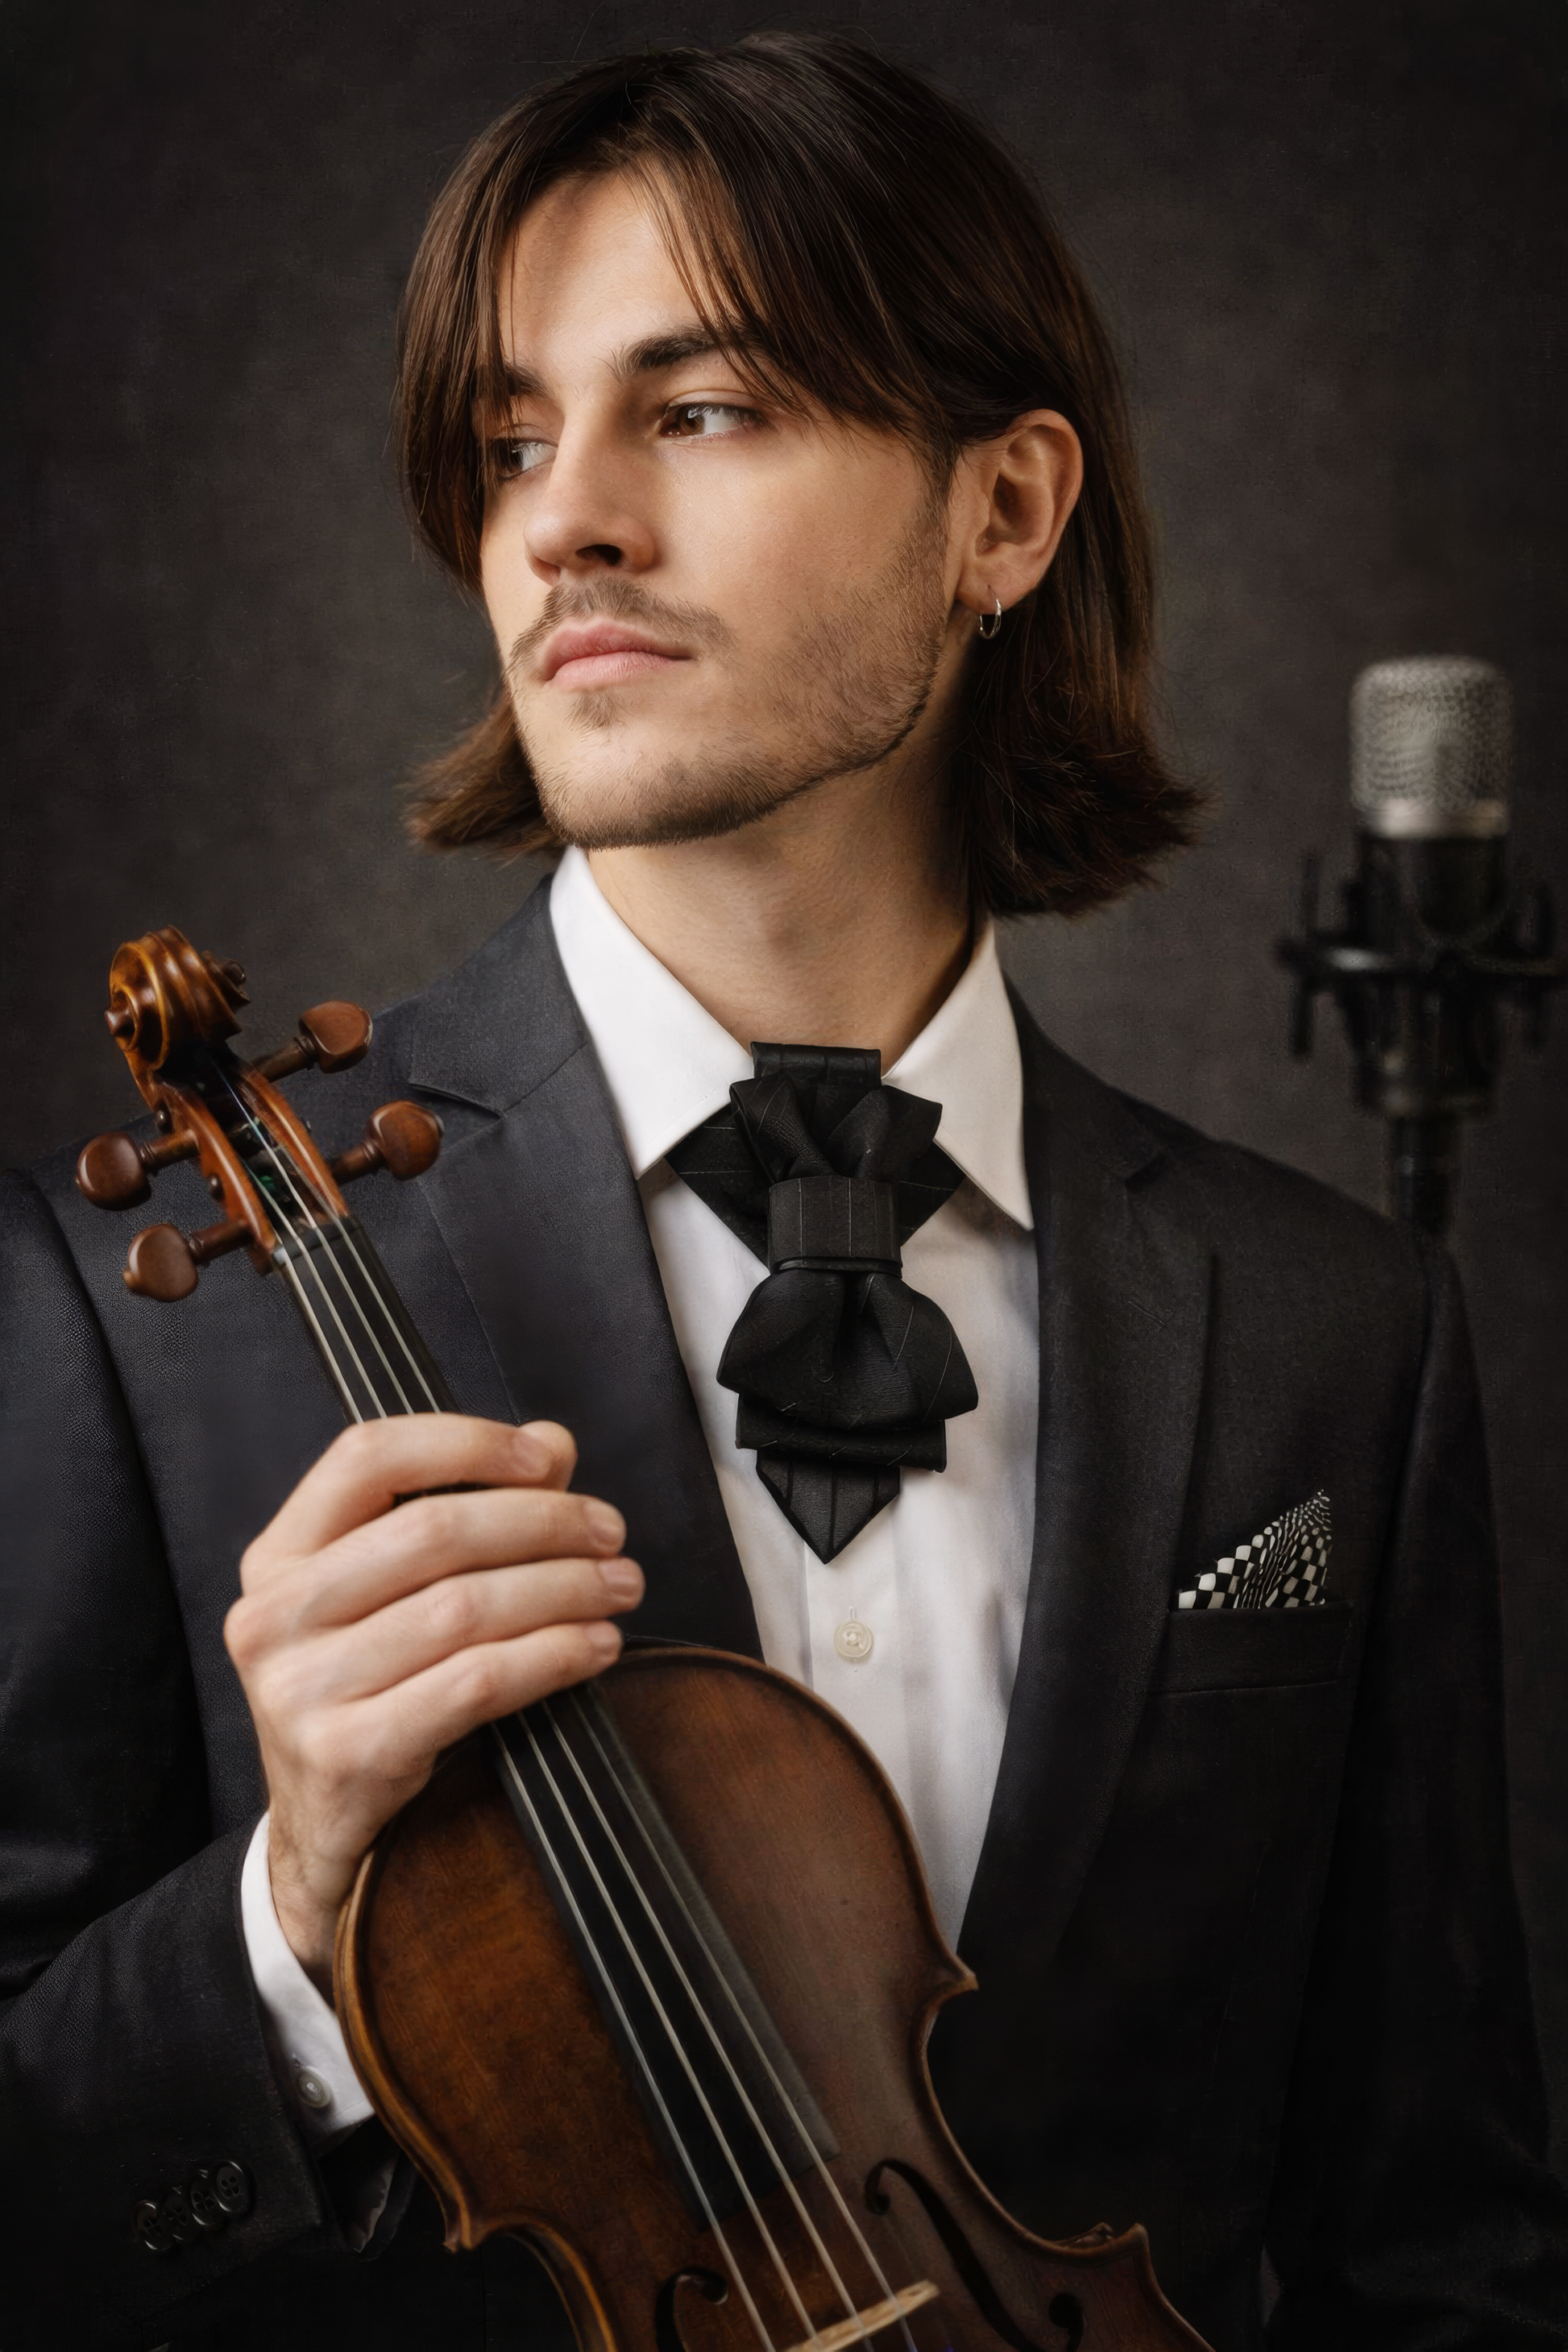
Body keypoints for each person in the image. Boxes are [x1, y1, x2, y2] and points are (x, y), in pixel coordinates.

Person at [2, 33, 1564, 2352]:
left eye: (702, 408)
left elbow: (1439, 2259)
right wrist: (287, 1916)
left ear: (1002, 515)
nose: (564, 519)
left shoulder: (1335, 1331)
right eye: (517, 435)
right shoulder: (147, 1297)